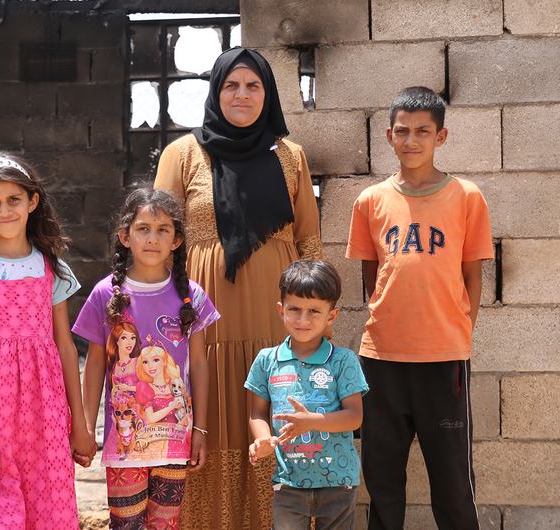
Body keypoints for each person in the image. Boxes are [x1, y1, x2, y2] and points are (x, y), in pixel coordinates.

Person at [154, 47, 324, 529]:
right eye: (231, 85)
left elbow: (309, 240)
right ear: (215, 91)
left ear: (267, 94)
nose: (242, 95)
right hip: (204, 325)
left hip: (277, 321)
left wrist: (316, 323)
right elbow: (159, 238)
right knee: (211, 412)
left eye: (253, 86)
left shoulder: (290, 157)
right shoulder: (183, 154)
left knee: (271, 412)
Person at [346, 87, 493, 530]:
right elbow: (372, 275)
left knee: (452, 487)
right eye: (403, 131)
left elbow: (472, 275)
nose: (412, 140)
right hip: (382, 359)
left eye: (422, 132)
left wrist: (460, 333)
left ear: (441, 136)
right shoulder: (370, 201)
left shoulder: (467, 197)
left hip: (443, 359)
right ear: (389, 136)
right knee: (383, 484)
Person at [0, 153, 97, 529]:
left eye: (14, 200)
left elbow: (65, 347)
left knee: (48, 512)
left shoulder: (49, 266)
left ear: (32, 202)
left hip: (46, 415)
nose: (4, 210)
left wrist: (79, 424)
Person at [75, 187, 220, 529]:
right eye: (143, 229)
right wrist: (82, 427)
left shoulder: (192, 296)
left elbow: (198, 364)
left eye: (163, 230)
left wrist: (199, 429)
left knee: (165, 525)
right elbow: (94, 365)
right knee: (125, 525)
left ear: (176, 240)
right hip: (124, 442)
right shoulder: (105, 294)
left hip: (174, 441)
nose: (152, 239)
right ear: (125, 236)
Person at [245, 260, 368, 530]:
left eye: (314, 311)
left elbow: (354, 416)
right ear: (281, 310)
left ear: (331, 316)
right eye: (295, 309)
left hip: (338, 481)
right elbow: (257, 413)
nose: (303, 320)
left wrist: (312, 421)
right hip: (288, 483)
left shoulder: (343, 361)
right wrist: (263, 439)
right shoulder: (267, 360)